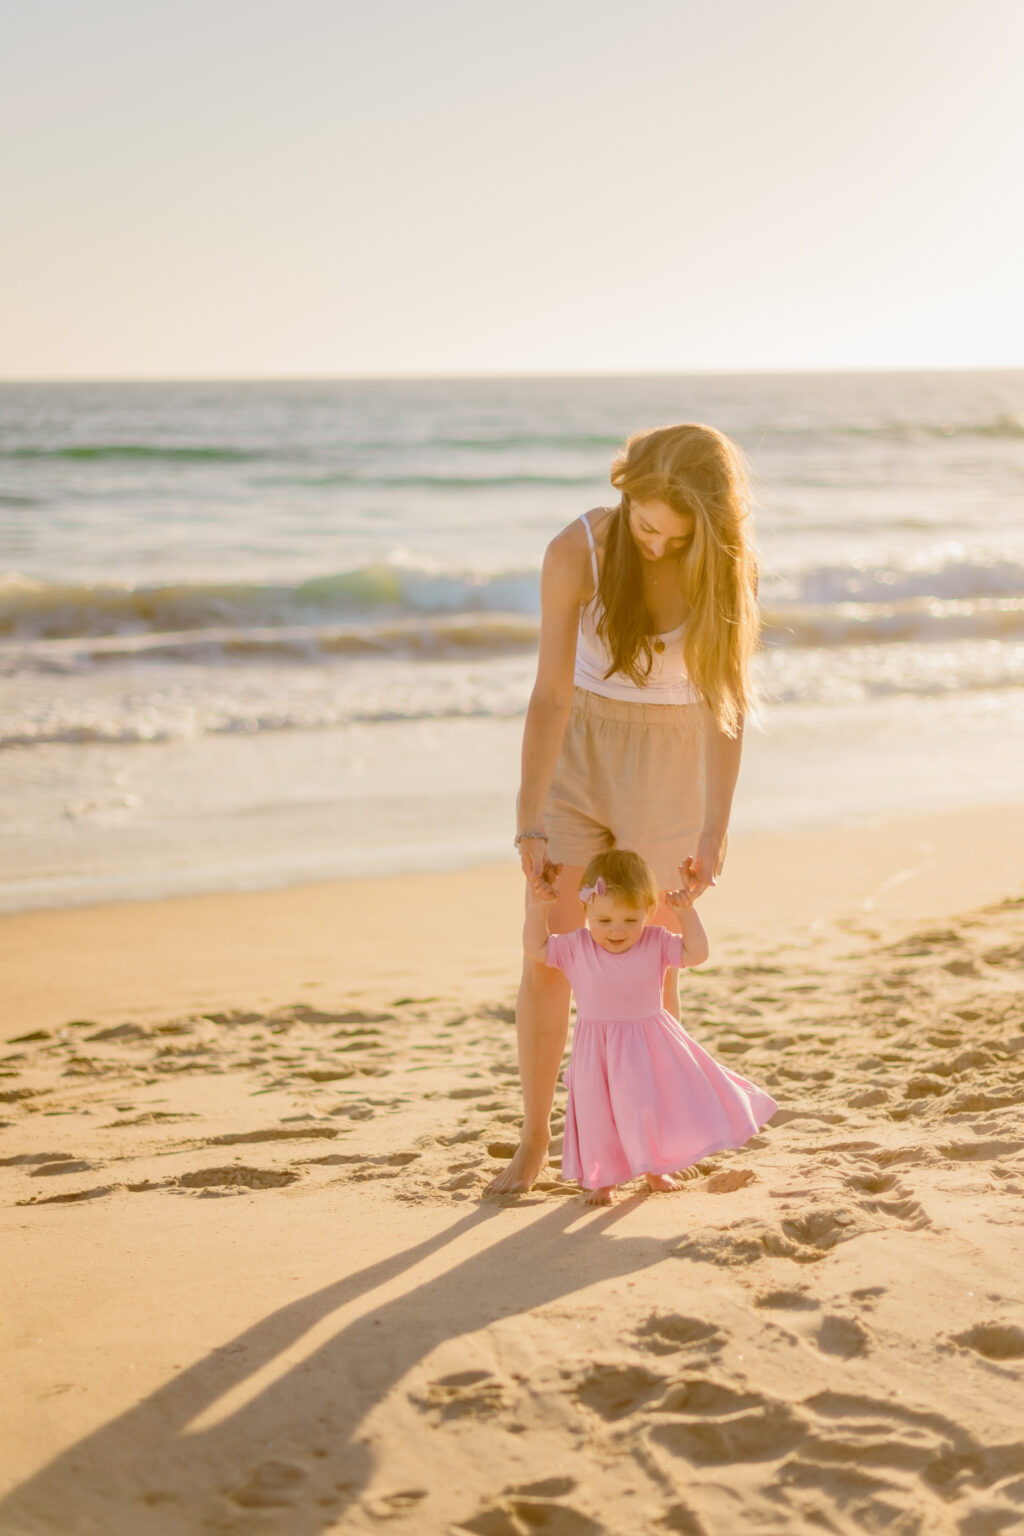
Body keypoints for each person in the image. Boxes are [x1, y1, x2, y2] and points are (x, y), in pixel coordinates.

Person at [488, 421, 760, 1196]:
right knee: (548, 952)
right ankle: (535, 1140)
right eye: (646, 527)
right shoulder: (574, 550)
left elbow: (723, 704)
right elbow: (548, 693)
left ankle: (651, 1145)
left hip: (667, 757)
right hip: (578, 752)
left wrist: (716, 829)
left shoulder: (721, 565)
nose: (655, 546)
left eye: (676, 539)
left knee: (648, 965)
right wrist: (529, 817)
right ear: (624, 486)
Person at [522, 849, 777, 1205]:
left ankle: (656, 1168)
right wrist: (539, 908)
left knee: (647, 1107)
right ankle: (605, 1179)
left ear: (648, 913)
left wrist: (686, 914)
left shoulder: (655, 942)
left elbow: (696, 954)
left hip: (647, 1043)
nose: (616, 930)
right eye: (604, 920)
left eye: (630, 920)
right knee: (600, 1113)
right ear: (586, 912)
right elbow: (535, 948)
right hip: (598, 1050)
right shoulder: (576, 946)